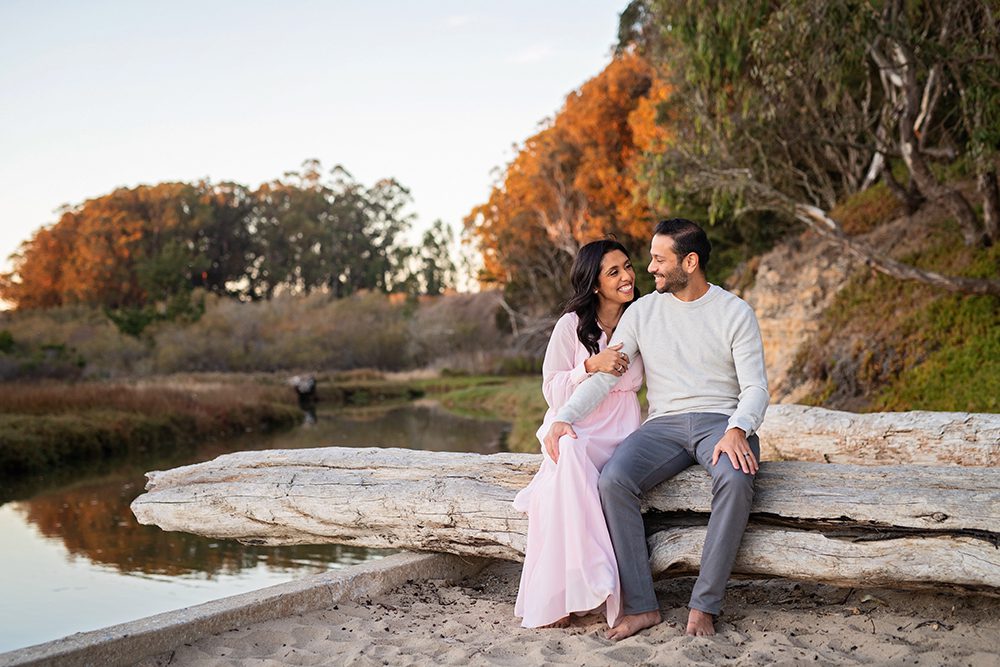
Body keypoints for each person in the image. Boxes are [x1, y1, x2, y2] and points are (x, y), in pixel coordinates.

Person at [544, 218, 768, 640]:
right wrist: (564, 418)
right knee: (614, 481)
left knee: (737, 479)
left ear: (690, 261)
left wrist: (739, 427)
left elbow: (756, 387)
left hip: (721, 421)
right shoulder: (643, 313)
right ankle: (642, 606)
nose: (648, 269)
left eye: (658, 259)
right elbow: (607, 377)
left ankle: (704, 605)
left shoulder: (735, 312)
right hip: (662, 425)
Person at [513, 239, 644, 629]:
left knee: (591, 481)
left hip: (621, 425)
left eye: (628, 266)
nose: (627, 276)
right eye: (614, 272)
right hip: (575, 422)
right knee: (568, 459)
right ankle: (564, 595)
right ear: (594, 283)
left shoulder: (640, 319)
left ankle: (592, 585)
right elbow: (551, 389)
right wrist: (590, 364)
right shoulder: (570, 325)